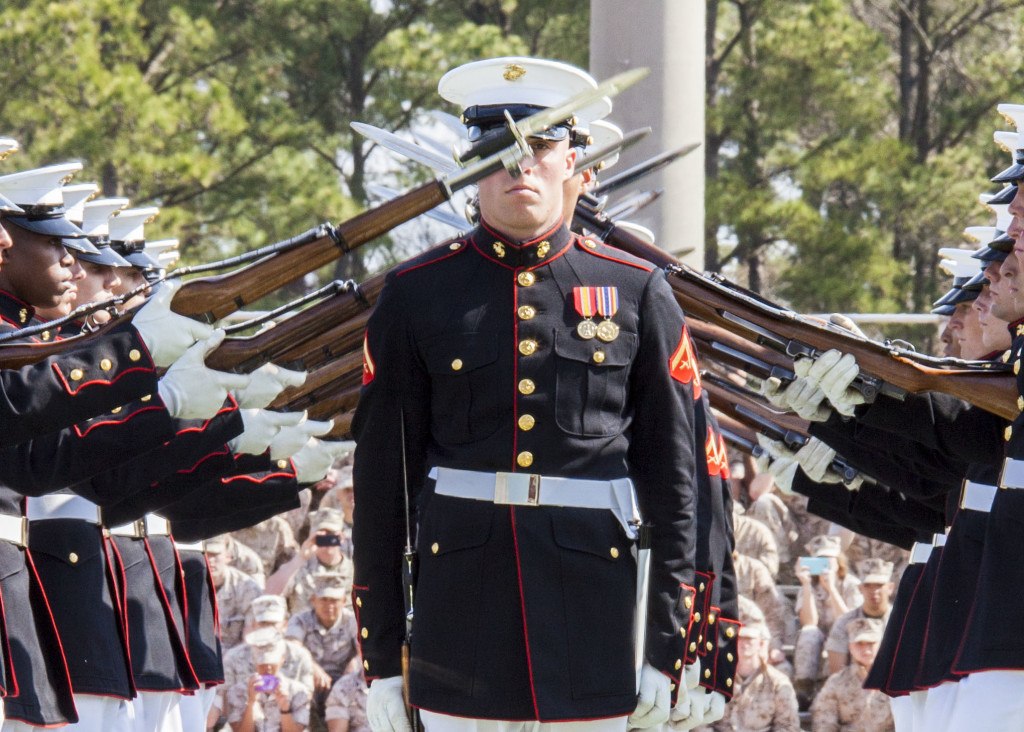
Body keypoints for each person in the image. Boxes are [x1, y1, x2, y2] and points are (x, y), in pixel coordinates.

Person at [354, 56, 699, 731]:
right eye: (497, 150)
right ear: (468, 170)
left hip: (596, 618)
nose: (521, 166)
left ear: (574, 162)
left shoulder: (638, 291)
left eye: (541, 146)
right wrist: (382, 658)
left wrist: (672, 648)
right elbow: (381, 488)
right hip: (460, 622)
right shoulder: (416, 295)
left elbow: (677, 486)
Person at [700, 603, 799, 732]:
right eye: (740, 638)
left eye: (750, 639)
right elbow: (701, 724)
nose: (744, 643)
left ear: (761, 643)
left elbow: (788, 726)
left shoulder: (778, 683)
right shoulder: (715, 679)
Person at [286, 574, 360, 729]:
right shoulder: (300, 620)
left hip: (344, 680)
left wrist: (354, 663)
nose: (329, 605)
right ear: (313, 600)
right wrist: (314, 668)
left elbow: (363, 649)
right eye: (324, 600)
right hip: (311, 680)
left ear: (344, 601)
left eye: (334, 600)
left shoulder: (352, 621)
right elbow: (293, 646)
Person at [811, 617, 894, 732]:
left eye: (871, 643)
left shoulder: (894, 682)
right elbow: (824, 724)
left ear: (881, 645)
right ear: (850, 647)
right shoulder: (836, 683)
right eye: (859, 644)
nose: (865, 649)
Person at [226, 628, 311, 732]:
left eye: (272, 663)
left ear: (282, 659)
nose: (268, 668)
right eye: (263, 664)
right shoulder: (237, 691)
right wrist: (251, 702)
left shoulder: (298, 692)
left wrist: (285, 709)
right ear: (254, 661)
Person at [825, 558, 894, 674]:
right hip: (855, 684)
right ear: (860, 588)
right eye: (868, 585)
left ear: (890, 588)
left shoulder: (903, 621)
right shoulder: (844, 623)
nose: (874, 591)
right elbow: (837, 672)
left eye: (879, 585)